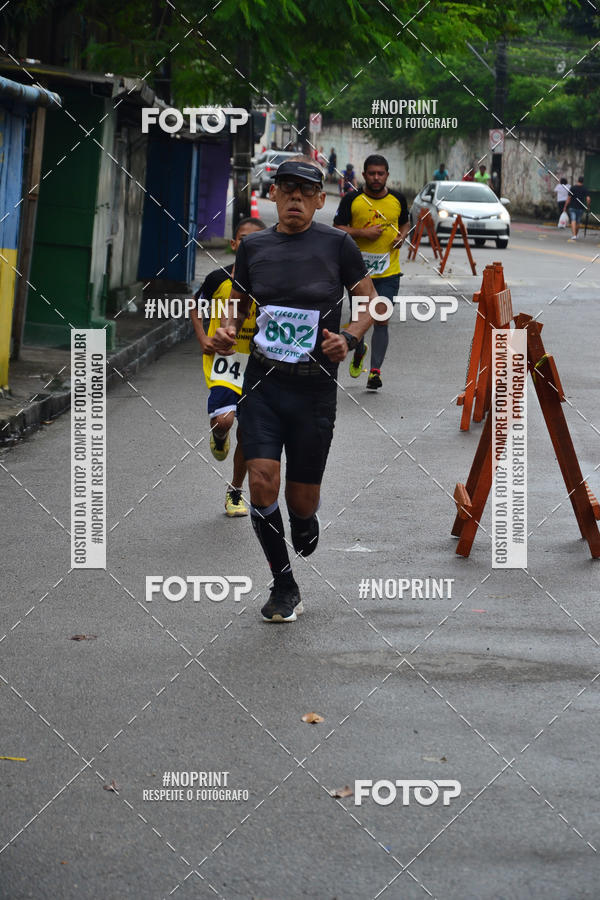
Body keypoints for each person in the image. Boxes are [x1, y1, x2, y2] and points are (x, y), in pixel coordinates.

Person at [212, 157, 378, 622]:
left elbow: (370, 301)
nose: (296, 200)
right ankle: (283, 584)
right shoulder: (255, 247)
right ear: (274, 196)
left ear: (320, 200)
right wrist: (227, 328)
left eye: (306, 193)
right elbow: (237, 304)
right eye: (287, 191)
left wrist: (350, 336)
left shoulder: (338, 245)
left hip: (315, 390)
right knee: (263, 481)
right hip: (264, 384)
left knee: (300, 500)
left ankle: (304, 521)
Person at [190, 217, 266, 517]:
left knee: (247, 431)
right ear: (234, 244)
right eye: (242, 239)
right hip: (223, 361)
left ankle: (235, 491)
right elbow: (195, 306)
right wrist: (202, 339)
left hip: (257, 363)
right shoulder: (217, 279)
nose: (247, 244)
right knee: (224, 421)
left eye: (255, 240)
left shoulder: (268, 283)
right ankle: (220, 435)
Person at [333, 153, 410, 391]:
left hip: (389, 271)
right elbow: (338, 228)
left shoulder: (397, 199)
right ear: (364, 175)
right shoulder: (352, 199)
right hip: (358, 272)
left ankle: (375, 372)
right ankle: (360, 350)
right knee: (360, 320)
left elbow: (406, 222)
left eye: (381, 173)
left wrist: (402, 236)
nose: (376, 178)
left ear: (387, 175)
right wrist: (362, 234)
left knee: (381, 317)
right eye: (372, 173)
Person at [564, 176, 590, 241]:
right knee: (578, 222)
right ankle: (576, 234)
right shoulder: (584, 189)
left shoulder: (573, 188)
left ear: (578, 180)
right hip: (580, 208)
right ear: (583, 181)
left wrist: (565, 206)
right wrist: (588, 207)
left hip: (572, 207)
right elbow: (588, 199)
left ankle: (574, 235)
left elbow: (569, 198)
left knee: (573, 220)